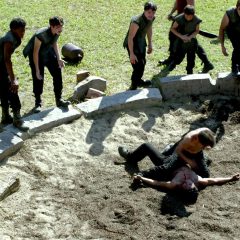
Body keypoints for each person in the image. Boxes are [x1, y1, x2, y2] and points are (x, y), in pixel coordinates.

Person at [118, 127, 216, 179]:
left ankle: (167, 150)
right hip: (178, 153)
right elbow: (178, 151)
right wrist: (190, 162)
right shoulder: (188, 139)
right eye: (203, 146)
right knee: (163, 164)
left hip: (195, 154)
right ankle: (130, 157)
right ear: (197, 140)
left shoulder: (206, 133)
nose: (204, 148)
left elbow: (210, 140)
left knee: (205, 174)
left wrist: (200, 154)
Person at [23, 16, 70, 113]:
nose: (60, 29)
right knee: (38, 78)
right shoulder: (41, 35)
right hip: (36, 55)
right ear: (51, 26)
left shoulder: (57, 31)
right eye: (57, 27)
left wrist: (59, 58)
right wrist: (37, 70)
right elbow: (35, 52)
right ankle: (38, 103)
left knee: (57, 72)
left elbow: (55, 43)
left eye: (61, 26)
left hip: (48, 51)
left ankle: (59, 99)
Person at [134, 166, 239, 204]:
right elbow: (215, 180)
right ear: (194, 186)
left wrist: (142, 178)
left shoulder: (174, 184)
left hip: (171, 164)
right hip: (187, 161)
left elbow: (156, 183)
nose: (186, 181)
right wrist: (230, 178)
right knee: (205, 169)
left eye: (185, 184)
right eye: (189, 183)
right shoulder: (200, 181)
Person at [159, 0, 214, 74]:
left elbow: (191, 6)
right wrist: (172, 13)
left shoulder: (192, 18)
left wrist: (187, 25)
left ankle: (204, 64)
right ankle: (172, 59)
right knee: (174, 40)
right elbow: (178, 2)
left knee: (191, 45)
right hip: (180, 18)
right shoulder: (180, 18)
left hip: (185, 21)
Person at [0, 18, 29, 131]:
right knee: (12, 89)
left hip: (1, 65)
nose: (23, 33)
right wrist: (13, 79)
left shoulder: (14, 37)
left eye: (24, 30)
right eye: (21, 30)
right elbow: (7, 59)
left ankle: (6, 116)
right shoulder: (9, 40)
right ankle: (17, 120)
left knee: (3, 89)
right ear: (13, 29)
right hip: (1, 65)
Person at [123, 2, 157, 90]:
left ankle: (139, 80)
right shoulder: (136, 21)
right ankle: (133, 86)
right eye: (149, 12)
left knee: (143, 63)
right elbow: (130, 38)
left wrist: (150, 44)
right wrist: (132, 54)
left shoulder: (151, 18)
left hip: (141, 43)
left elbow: (149, 28)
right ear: (144, 11)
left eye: (153, 12)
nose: (151, 15)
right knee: (137, 66)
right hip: (132, 44)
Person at [168, 5, 201, 74]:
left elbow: (197, 30)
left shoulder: (196, 19)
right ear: (184, 14)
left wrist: (190, 37)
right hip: (181, 41)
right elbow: (172, 29)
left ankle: (189, 70)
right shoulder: (179, 18)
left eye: (190, 16)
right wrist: (182, 36)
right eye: (187, 16)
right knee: (179, 56)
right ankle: (174, 63)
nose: (188, 18)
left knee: (191, 57)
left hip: (191, 41)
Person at [219, 0, 240, 77]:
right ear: (237, 8)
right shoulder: (229, 14)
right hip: (232, 31)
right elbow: (221, 29)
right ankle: (234, 67)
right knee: (238, 46)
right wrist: (222, 46)